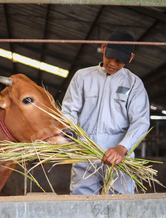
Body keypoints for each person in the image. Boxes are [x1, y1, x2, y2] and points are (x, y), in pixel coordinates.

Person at [61, 30, 150, 195]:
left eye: (120, 61)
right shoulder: (82, 77)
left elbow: (141, 121)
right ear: (103, 48)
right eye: (110, 57)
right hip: (85, 156)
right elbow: (69, 111)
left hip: (119, 160)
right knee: (83, 205)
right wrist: (68, 136)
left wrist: (122, 148)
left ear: (130, 58)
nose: (113, 64)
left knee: (119, 207)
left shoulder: (134, 84)